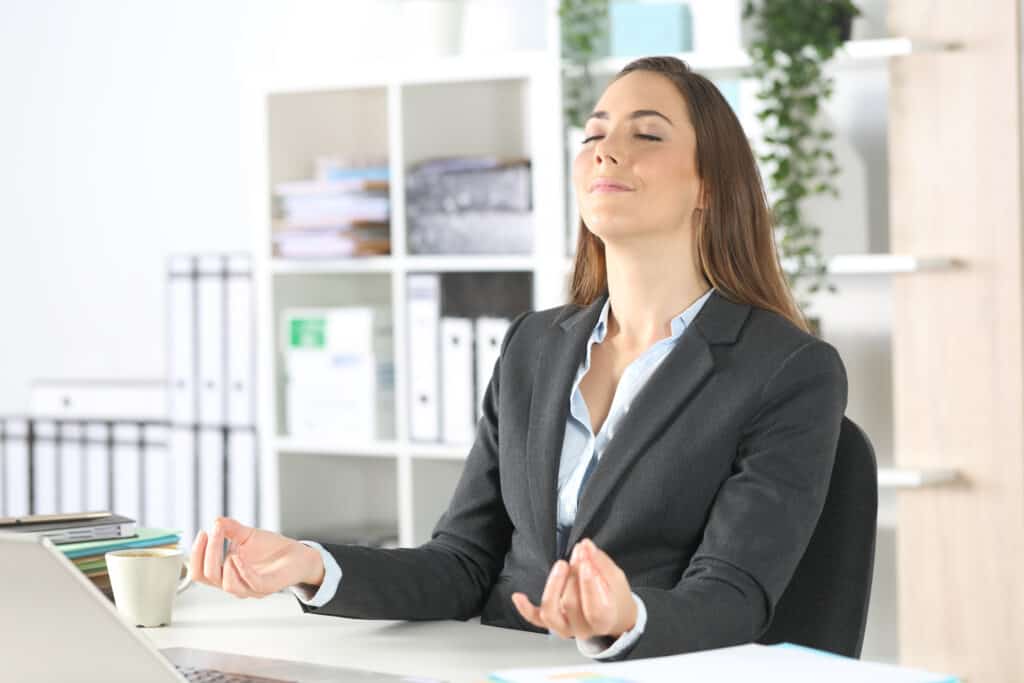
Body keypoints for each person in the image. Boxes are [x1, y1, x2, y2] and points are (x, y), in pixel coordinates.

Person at [190, 56, 847, 662]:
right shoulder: (533, 346)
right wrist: (306, 562)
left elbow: (733, 595)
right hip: (494, 669)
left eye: (647, 135)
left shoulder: (788, 370)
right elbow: (462, 563)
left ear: (709, 184)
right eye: (593, 134)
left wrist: (623, 616)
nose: (605, 151)